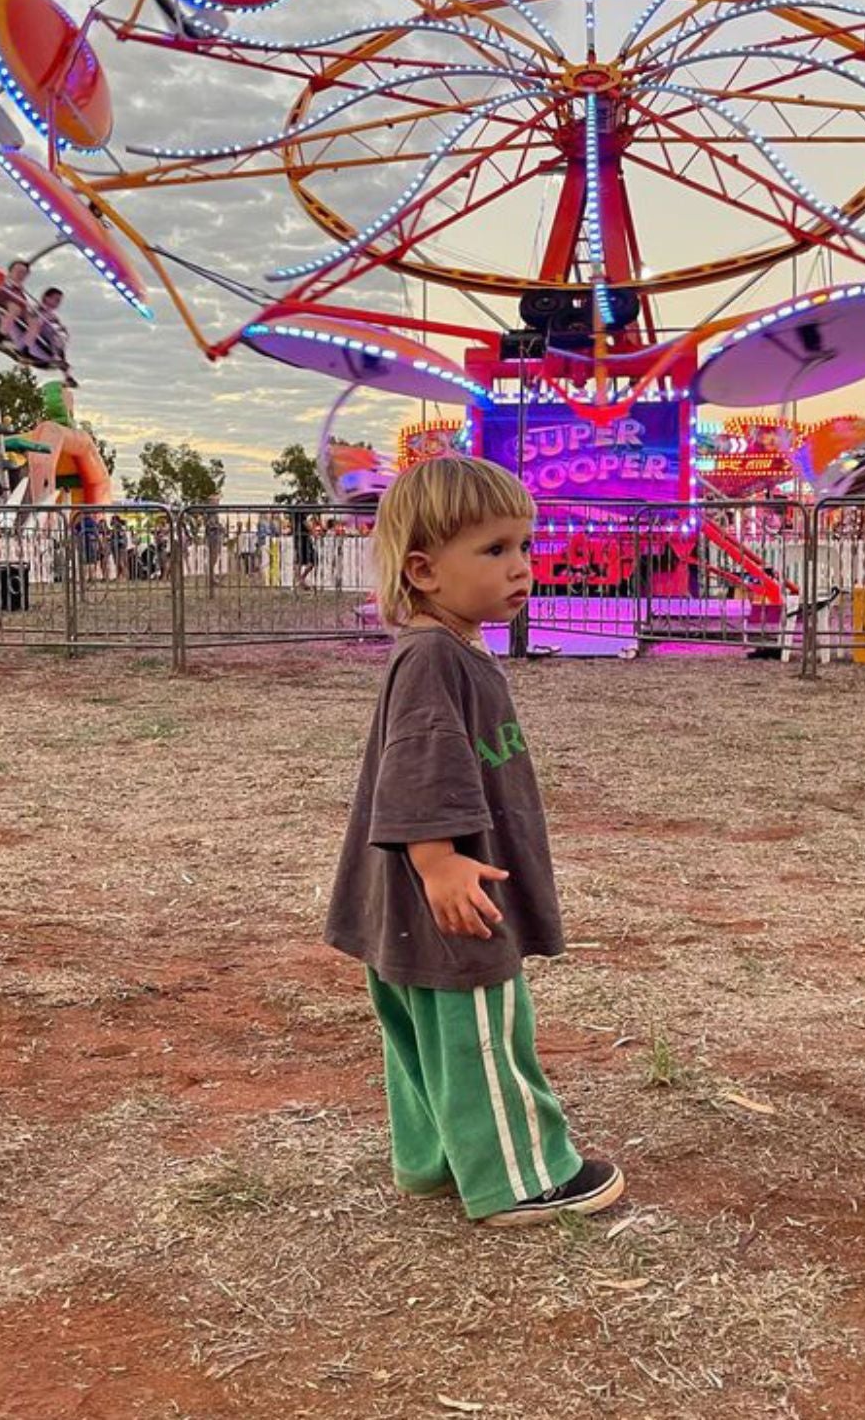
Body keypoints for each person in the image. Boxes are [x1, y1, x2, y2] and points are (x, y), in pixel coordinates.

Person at [324, 457, 624, 1227]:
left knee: (429, 1032)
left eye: (524, 545)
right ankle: (520, 1177)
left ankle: (435, 1162)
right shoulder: (433, 658)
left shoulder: (448, 649)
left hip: (412, 897)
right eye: (494, 550)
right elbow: (418, 764)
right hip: (446, 889)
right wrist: (440, 863)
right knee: (482, 1031)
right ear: (423, 570)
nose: (520, 566)